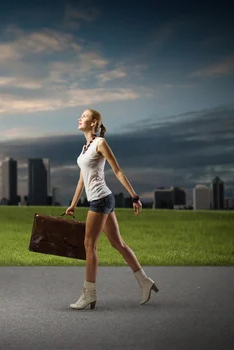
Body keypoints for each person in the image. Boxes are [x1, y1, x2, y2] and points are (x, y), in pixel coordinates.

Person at [65, 108, 159, 310]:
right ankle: (145, 281)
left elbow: (117, 170)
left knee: (90, 245)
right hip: (101, 200)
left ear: (94, 122)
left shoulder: (100, 143)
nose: (80, 118)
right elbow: (82, 180)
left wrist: (134, 196)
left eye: (84, 115)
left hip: (101, 200)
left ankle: (89, 294)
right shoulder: (84, 148)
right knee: (118, 243)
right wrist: (73, 203)